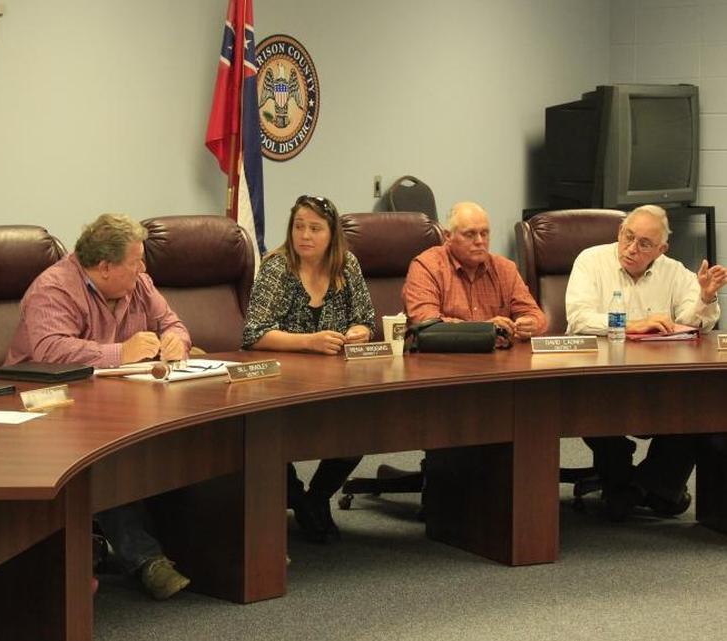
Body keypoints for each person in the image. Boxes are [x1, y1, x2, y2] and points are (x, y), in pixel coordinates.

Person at [5, 213, 191, 599]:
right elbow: (50, 350)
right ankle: (146, 559)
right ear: (104, 267)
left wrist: (175, 340)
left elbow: (172, 323)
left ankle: (195, 543)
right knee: (100, 454)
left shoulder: (139, 284)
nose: (143, 269)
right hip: (44, 405)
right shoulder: (53, 289)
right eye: (135, 261)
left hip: (117, 400)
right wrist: (121, 352)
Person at [565, 204, 727, 520]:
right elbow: (579, 318)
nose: (631, 248)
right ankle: (652, 489)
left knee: (697, 410)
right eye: (628, 237)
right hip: (597, 381)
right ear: (619, 233)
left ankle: (641, 487)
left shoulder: (674, 271)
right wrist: (628, 324)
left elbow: (692, 323)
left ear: (661, 249)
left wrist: (705, 298)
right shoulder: (591, 261)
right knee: (599, 416)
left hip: (659, 381)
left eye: (644, 244)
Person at [241, 195, 374, 544]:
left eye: (315, 228)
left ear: (332, 234)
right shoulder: (277, 267)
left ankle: (314, 497)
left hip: (337, 380)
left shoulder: (347, 266)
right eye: (299, 227)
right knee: (269, 436)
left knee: (360, 428)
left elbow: (366, 320)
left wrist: (360, 332)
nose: (305, 235)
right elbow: (254, 334)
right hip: (280, 380)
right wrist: (309, 341)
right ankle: (299, 499)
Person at [403, 201, 547, 341]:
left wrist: (531, 323)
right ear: (448, 236)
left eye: (484, 233)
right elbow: (426, 324)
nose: (479, 241)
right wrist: (483, 329)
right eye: (470, 234)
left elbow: (537, 316)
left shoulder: (505, 269)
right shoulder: (426, 266)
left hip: (497, 361)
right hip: (443, 361)